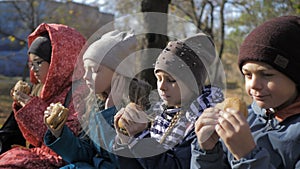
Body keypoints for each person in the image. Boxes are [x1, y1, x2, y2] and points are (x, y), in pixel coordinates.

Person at [191, 15, 300, 169]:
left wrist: (247, 155)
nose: (253, 85)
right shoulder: (246, 118)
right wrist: (207, 152)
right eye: (248, 75)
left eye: (267, 75)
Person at [113, 33, 224, 169]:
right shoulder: (159, 114)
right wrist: (125, 141)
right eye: (159, 78)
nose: (162, 86)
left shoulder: (200, 122)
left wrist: (140, 137)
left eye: (171, 80)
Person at [44, 30, 137, 169]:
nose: (86, 76)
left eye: (94, 70)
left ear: (119, 72)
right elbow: (85, 153)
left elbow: (123, 162)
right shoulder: (95, 103)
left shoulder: (140, 107)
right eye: (85, 69)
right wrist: (58, 133)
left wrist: (111, 112)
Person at [0, 23, 87, 168]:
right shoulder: (46, 90)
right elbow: (33, 138)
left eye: (39, 63)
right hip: (41, 154)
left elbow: (66, 140)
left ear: (58, 61)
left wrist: (31, 108)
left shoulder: (81, 92)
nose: (34, 70)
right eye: (31, 64)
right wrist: (22, 105)